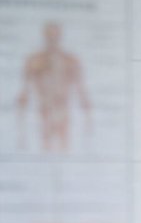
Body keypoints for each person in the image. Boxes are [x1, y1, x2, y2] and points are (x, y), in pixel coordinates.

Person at [16, 21, 91, 152]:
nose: (52, 40)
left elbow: (81, 92)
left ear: (60, 36)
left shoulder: (71, 61)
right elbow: (24, 93)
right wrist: (21, 130)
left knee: (64, 144)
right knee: (45, 144)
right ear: (45, 36)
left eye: (55, 36)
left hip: (64, 109)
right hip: (44, 109)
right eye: (50, 36)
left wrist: (88, 120)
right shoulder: (35, 61)